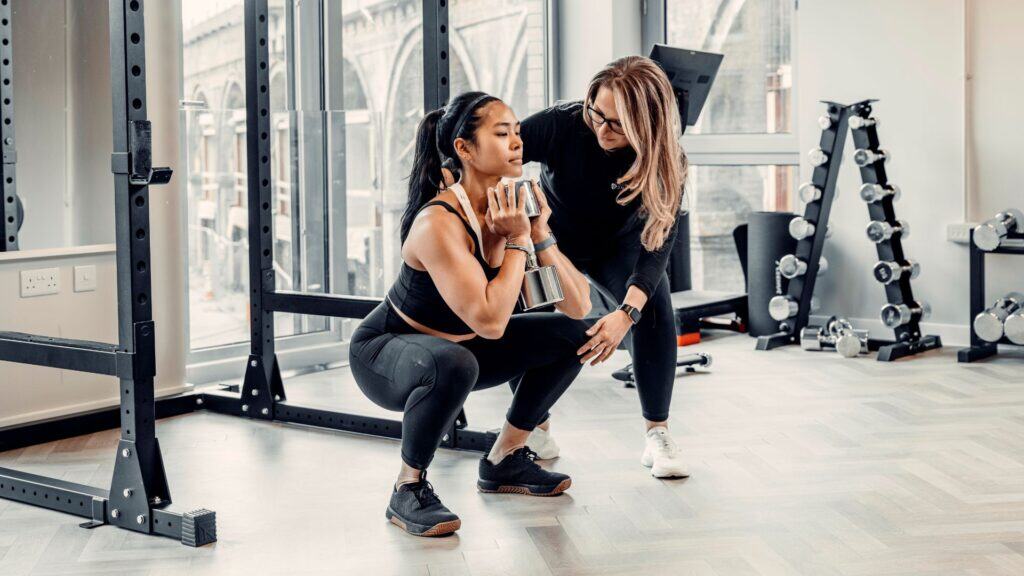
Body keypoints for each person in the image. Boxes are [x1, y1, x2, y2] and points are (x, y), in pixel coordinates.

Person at [348, 91, 594, 537]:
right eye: (502, 134)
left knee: (573, 333)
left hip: (464, 350)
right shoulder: (438, 223)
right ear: (464, 149)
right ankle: (408, 488)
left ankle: (504, 459)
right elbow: (491, 321)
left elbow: (578, 306)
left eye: (518, 133)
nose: (517, 143)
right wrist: (518, 241)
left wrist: (539, 234)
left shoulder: (511, 208)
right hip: (388, 354)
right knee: (454, 361)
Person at [515, 56, 690, 478]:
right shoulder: (562, 123)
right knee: (530, 309)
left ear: (646, 126)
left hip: (619, 244)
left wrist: (625, 315)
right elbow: (497, 154)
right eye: (597, 113)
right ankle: (532, 427)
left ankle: (657, 433)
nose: (601, 129)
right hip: (555, 241)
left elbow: (656, 247)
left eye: (617, 124)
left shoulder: (668, 159)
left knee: (654, 304)